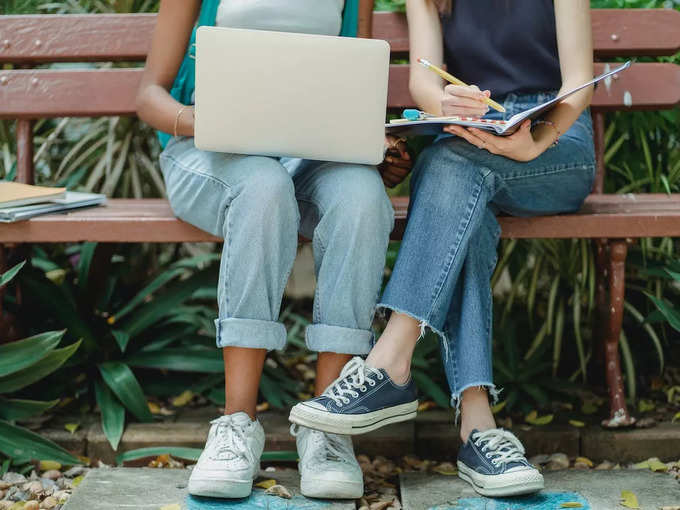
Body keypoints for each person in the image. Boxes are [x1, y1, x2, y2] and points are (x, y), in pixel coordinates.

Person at [292, 0, 596, 497]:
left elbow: (578, 82)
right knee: (461, 193)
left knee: (450, 166)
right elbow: (424, 82)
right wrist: (445, 105)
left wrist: (534, 141)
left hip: (555, 141)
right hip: (474, 131)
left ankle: (390, 360)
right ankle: (479, 429)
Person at [136, 0, 411, 500]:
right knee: (263, 187)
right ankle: (236, 425)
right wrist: (208, 121)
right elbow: (149, 96)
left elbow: (355, 95)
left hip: (310, 154)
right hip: (208, 153)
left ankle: (329, 428)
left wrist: (378, 146)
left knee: (364, 199)